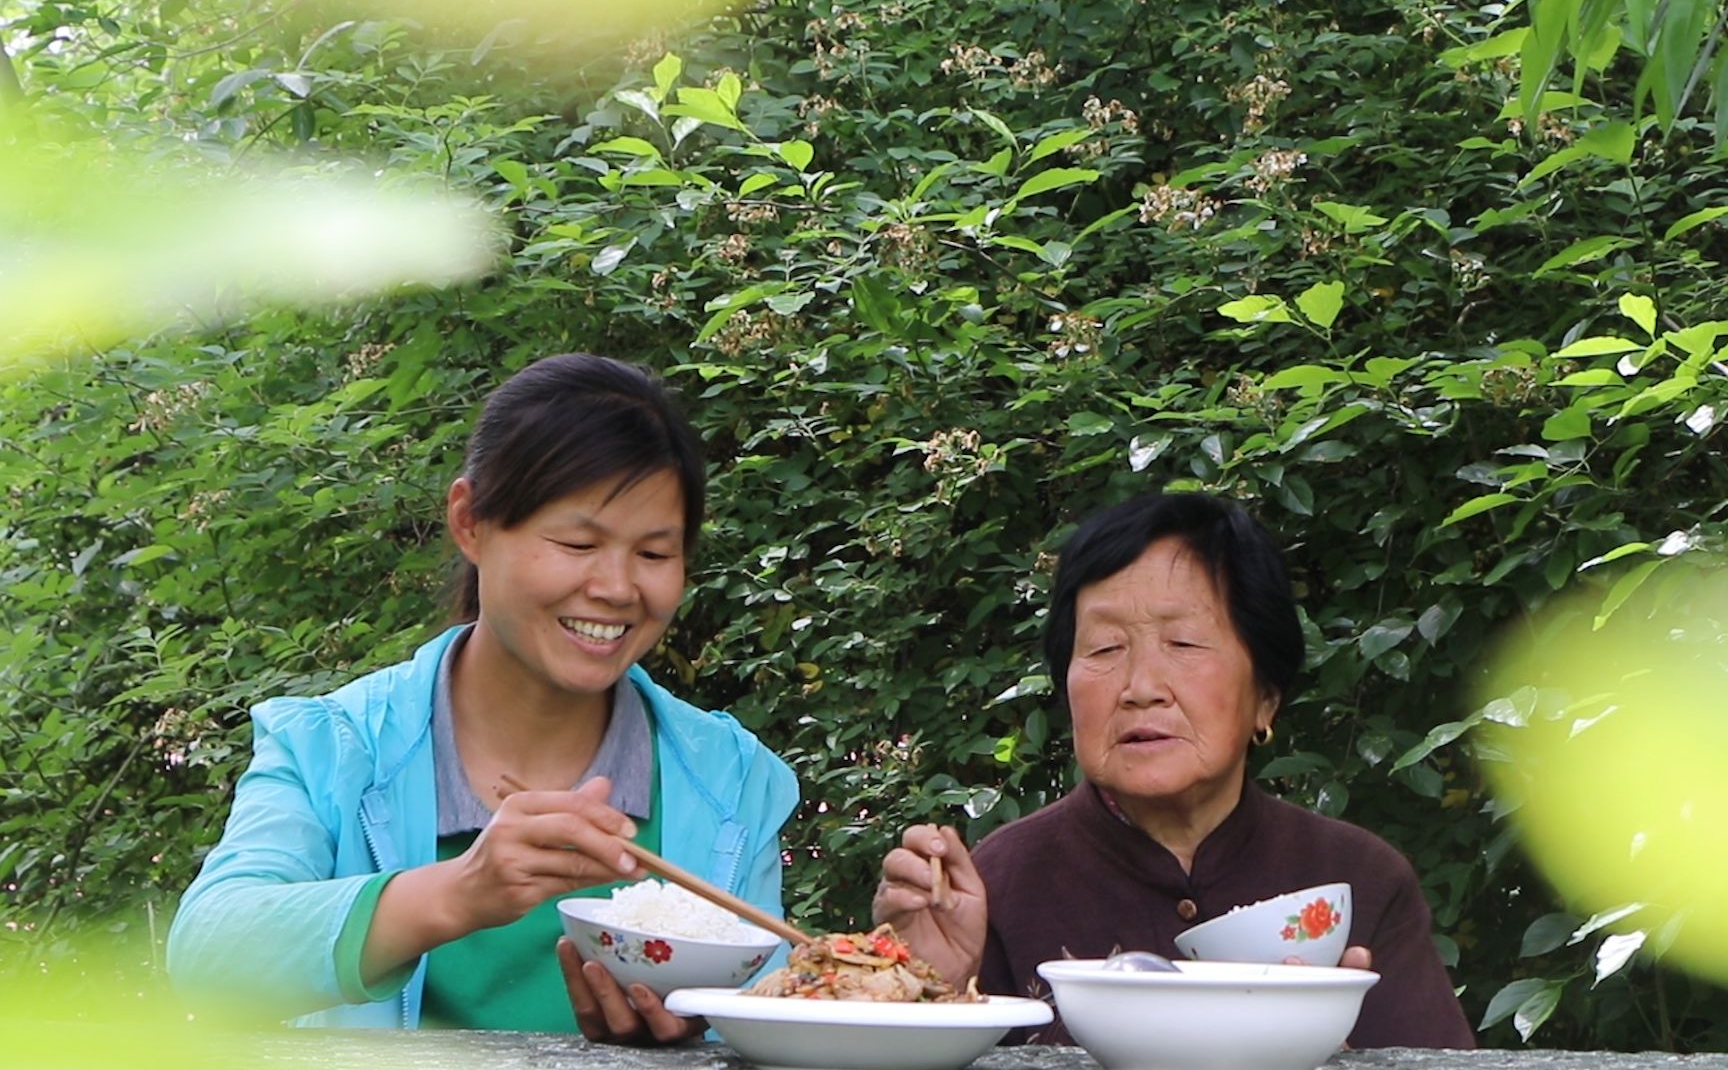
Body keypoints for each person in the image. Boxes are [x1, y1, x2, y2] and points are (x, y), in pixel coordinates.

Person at [167, 353, 797, 1043]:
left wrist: (926, 977)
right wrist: (461, 892)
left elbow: (778, 1015)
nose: (618, 588)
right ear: (470, 522)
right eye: (577, 541)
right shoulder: (333, 748)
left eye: (653, 555)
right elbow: (207, 953)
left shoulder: (732, 782)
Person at [874, 492, 1474, 1048]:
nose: (1140, 688)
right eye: (1105, 649)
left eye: (1183, 644)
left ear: (1265, 696)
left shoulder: (1359, 880)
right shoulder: (997, 888)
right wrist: (921, 992)